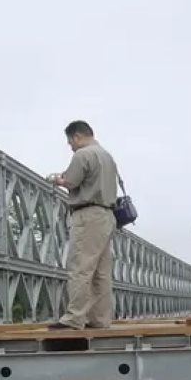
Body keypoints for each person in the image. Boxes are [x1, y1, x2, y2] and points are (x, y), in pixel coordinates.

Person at [48, 120, 118, 330]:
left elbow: (71, 181)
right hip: (107, 214)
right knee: (101, 272)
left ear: (77, 136)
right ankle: (99, 319)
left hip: (88, 214)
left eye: (70, 141)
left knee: (80, 266)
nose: (70, 146)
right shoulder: (107, 156)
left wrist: (56, 179)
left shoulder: (83, 154)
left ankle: (74, 318)